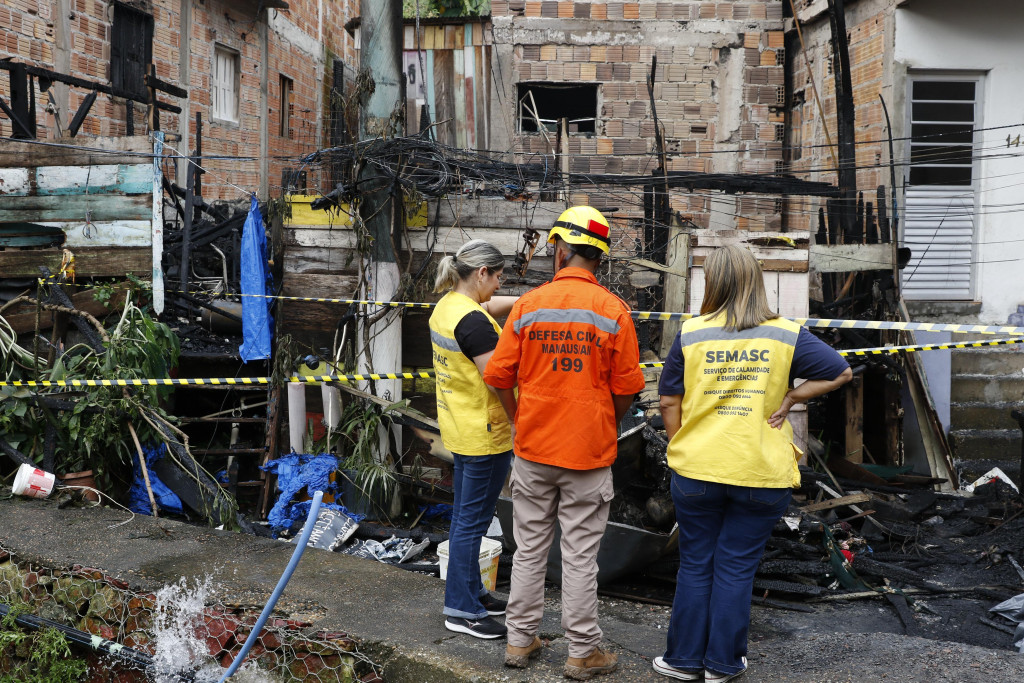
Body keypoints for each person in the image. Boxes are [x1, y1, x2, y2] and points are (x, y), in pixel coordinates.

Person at [653, 245, 852, 682]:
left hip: (697, 469)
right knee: (736, 567)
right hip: (760, 473)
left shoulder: (692, 333)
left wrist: (680, 442)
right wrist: (794, 396)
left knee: (696, 563)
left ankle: (683, 661)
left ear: (713, 282)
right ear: (756, 280)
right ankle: (723, 664)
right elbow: (839, 371)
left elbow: (669, 399)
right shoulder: (784, 333)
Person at [483, 206, 647, 680]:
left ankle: (518, 640)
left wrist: (519, 420)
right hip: (587, 456)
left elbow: (497, 375)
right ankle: (581, 652)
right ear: (599, 256)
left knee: (529, 550)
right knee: (579, 557)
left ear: (559, 247)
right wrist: (605, 424)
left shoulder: (529, 306)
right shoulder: (614, 311)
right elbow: (628, 389)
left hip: (533, 451)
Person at [429, 239, 519, 640]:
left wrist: (529, 300)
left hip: (459, 428)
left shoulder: (449, 308)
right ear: (481, 273)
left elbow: (487, 308)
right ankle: (461, 610)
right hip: (485, 434)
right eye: (498, 277)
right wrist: (518, 421)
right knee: (471, 524)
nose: (500, 285)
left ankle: (471, 592)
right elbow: (498, 378)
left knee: (467, 521)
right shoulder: (473, 324)